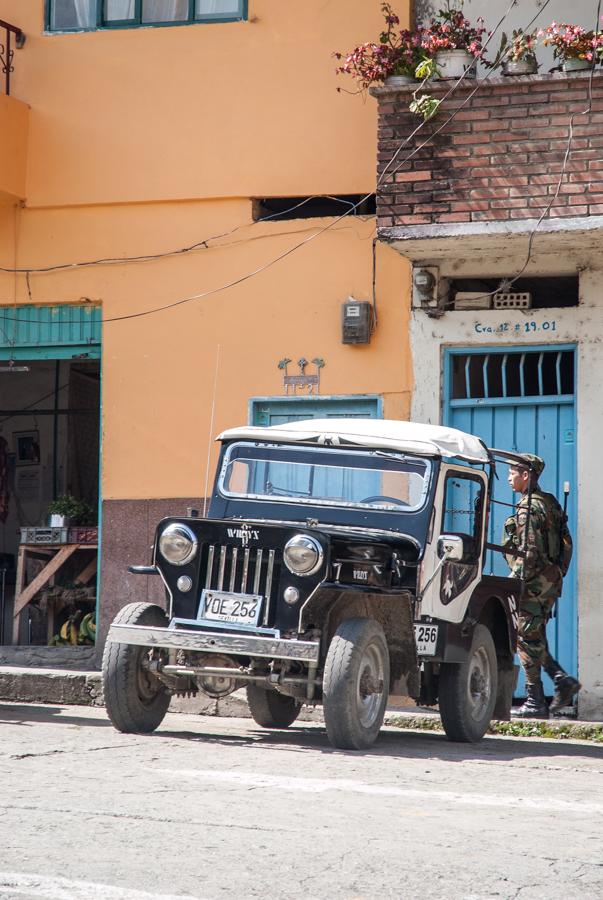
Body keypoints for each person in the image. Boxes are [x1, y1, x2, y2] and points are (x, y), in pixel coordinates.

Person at [503, 454, 580, 719]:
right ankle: (562, 680)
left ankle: (535, 700)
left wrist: (516, 583)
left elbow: (529, 551)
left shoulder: (527, 507)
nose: (509, 477)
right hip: (548, 581)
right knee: (535, 635)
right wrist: (557, 573)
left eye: (513, 472)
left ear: (526, 475)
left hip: (533, 584)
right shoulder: (551, 503)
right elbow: (567, 543)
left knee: (525, 637)